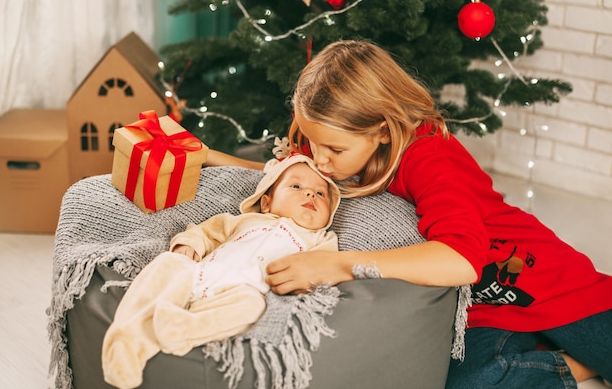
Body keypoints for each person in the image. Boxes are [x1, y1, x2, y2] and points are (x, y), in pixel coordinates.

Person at [206, 39, 612, 388]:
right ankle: (569, 364)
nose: (319, 162)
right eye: (314, 145)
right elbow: (282, 176)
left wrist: (339, 265)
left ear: (383, 130)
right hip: (485, 308)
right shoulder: (331, 147)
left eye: (334, 150)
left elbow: (461, 260)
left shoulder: (430, 155)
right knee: (467, 383)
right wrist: (209, 158)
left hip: (549, 282)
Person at [102, 154, 341, 389]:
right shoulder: (245, 220)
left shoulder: (320, 239)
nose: (310, 194)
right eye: (296, 186)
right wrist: (189, 244)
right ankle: (126, 341)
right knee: (168, 263)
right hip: (203, 272)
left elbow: (326, 268)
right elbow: (206, 232)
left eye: (320, 193)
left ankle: (182, 328)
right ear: (267, 202)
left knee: (252, 307)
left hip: (243, 291)